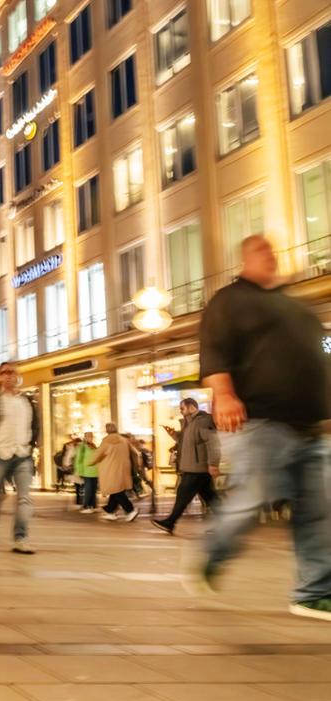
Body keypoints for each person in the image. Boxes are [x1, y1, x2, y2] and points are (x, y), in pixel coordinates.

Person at [191, 235, 331, 621]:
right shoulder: (229, 301)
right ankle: (215, 551)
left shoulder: (296, 307)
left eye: (273, 250)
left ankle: (313, 593)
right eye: (262, 250)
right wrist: (224, 394)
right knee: (256, 498)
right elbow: (214, 349)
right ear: (246, 258)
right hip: (259, 421)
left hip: (309, 426)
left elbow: (322, 356)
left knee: (320, 509)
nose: (271, 255)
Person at [0, 362, 40, 554]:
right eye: (5, 373)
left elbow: (35, 425)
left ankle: (20, 538)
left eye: (12, 372)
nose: (9, 376)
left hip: (22, 454)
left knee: (24, 498)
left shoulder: (26, 400)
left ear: (18, 376)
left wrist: (31, 445)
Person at [152, 398, 220, 534]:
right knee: (211, 497)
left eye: (182, 408)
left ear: (192, 408)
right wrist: (174, 435)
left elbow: (213, 443)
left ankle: (170, 522)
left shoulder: (203, 421)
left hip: (197, 467)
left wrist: (213, 463)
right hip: (192, 466)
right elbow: (186, 442)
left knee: (183, 493)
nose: (180, 411)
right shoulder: (188, 424)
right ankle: (228, 523)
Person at [91, 424, 140, 521]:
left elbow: (98, 454)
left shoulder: (107, 441)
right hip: (123, 469)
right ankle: (110, 511)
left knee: (117, 492)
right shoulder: (124, 440)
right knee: (116, 490)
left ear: (107, 431)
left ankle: (130, 510)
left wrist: (90, 462)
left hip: (111, 469)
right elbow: (134, 453)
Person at [74, 433, 99, 513]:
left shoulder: (94, 446)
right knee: (88, 490)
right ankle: (86, 506)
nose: (90, 438)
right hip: (87, 471)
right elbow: (79, 459)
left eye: (91, 436)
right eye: (88, 436)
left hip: (95, 471)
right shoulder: (82, 446)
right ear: (85, 437)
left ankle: (93, 506)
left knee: (93, 489)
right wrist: (79, 471)